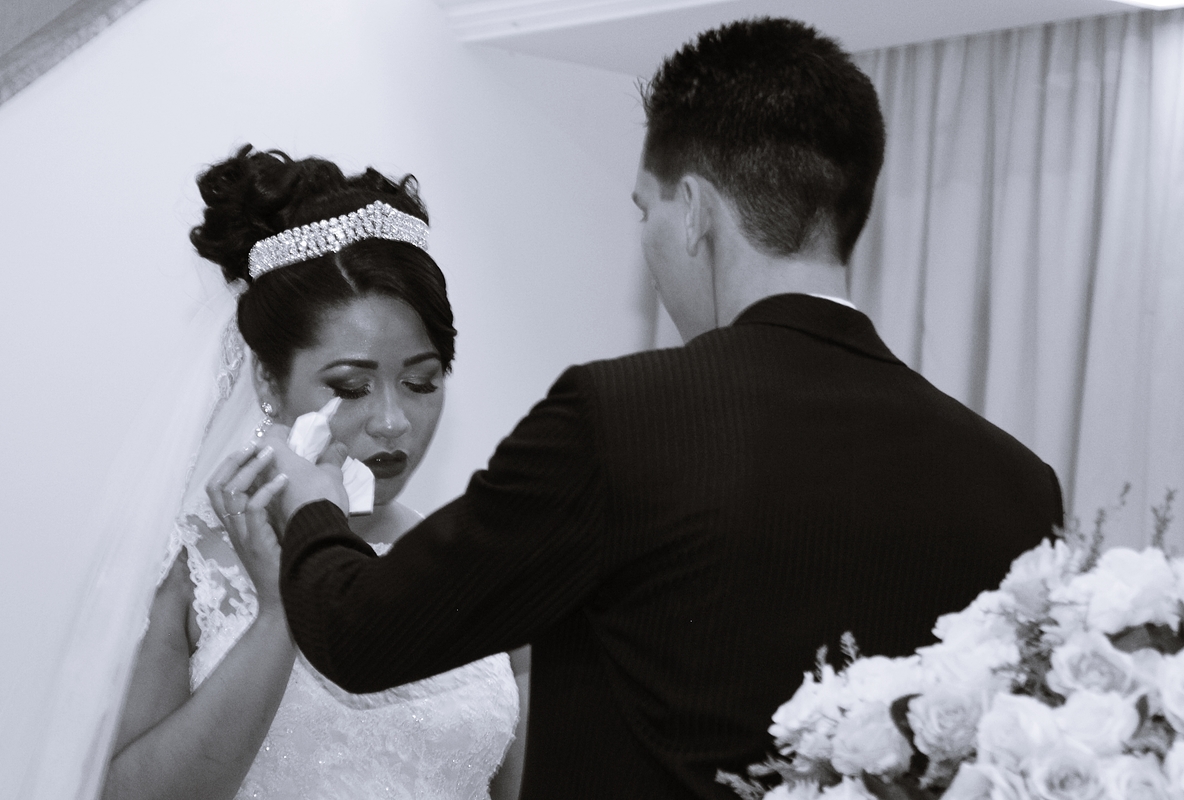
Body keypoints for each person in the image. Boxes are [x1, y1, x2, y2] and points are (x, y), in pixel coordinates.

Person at [225, 18, 1063, 800]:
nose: (650, 245)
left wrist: (311, 502)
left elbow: (363, 636)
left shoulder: (620, 420)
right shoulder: (1017, 485)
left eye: (644, 210)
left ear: (694, 210)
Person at [102, 146, 519, 800]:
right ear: (270, 378)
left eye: (421, 381)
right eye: (352, 386)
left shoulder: (483, 562)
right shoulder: (192, 569)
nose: (392, 421)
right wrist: (280, 609)